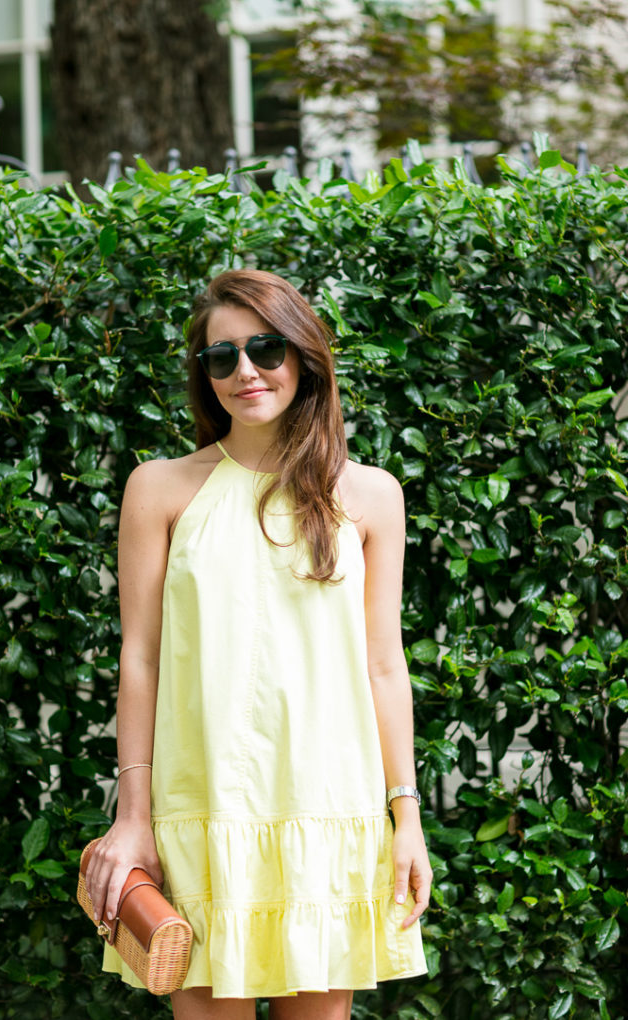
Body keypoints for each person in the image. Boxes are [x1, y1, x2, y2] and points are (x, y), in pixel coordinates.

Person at [84, 268, 432, 1020]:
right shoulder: (161, 488)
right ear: (204, 376)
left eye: (265, 349)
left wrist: (407, 816)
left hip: (327, 810)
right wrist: (132, 813)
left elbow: (383, 664)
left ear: (304, 355)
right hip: (201, 808)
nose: (245, 371)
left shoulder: (371, 495)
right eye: (221, 357)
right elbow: (139, 659)